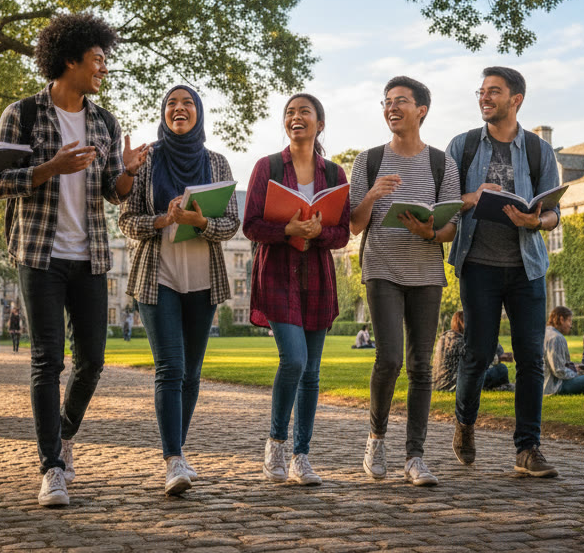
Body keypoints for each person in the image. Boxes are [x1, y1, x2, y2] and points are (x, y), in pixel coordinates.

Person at [0, 11, 149, 508]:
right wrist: (50, 168)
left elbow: (113, 193)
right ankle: (51, 467)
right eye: (98, 59)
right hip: (39, 254)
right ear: (69, 59)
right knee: (47, 360)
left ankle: (61, 433)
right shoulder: (22, 114)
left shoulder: (105, 121)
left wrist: (125, 173)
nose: (104, 68)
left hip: (90, 257)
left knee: (93, 362)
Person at [118, 84, 240, 496]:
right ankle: (172, 460)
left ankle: (179, 452)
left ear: (199, 113)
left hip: (203, 279)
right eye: (171, 103)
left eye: (187, 103)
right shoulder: (148, 162)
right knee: (169, 368)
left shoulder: (217, 163)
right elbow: (126, 221)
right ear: (163, 114)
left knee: (191, 374)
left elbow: (231, 224)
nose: (179, 108)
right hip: (158, 277)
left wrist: (200, 221)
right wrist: (162, 220)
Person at [445, 66, 563, 478]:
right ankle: (464, 423)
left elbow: (554, 213)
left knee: (531, 358)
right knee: (478, 354)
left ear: (516, 100)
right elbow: (443, 203)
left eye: (494, 92)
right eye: (481, 91)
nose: (484, 98)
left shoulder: (537, 150)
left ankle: (527, 448)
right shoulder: (461, 147)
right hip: (478, 266)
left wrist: (537, 222)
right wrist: (473, 197)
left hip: (527, 267)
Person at [348, 76, 461, 487]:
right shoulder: (368, 160)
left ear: (422, 110)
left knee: (419, 367)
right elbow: (355, 226)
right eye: (387, 102)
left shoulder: (441, 162)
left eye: (401, 101)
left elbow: (451, 228)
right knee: (390, 359)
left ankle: (415, 456)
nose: (391, 108)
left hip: (427, 272)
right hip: (382, 269)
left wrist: (428, 231)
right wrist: (372, 195)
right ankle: (376, 439)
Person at [243, 93, 350, 487]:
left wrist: (321, 231)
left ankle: (301, 456)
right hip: (277, 274)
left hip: (318, 278)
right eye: (290, 112)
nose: (296, 117)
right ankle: (275, 442)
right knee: (294, 361)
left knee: (313, 372)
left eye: (305, 111)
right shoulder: (267, 167)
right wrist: (287, 229)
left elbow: (343, 233)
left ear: (320, 123)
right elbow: (251, 224)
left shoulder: (335, 175)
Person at [432, 311, 512, 393]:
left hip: (438, 384)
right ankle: (503, 386)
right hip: (454, 385)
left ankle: (500, 386)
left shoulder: (444, 338)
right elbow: (480, 361)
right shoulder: (461, 342)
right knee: (501, 369)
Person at [543, 307, 584, 395]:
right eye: (569, 321)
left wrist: (574, 367)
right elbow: (559, 371)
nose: (571, 325)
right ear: (561, 319)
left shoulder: (545, 332)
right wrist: (576, 373)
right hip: (554, 386)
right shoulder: (556, 338)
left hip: (542, 383)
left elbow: (560, 364)